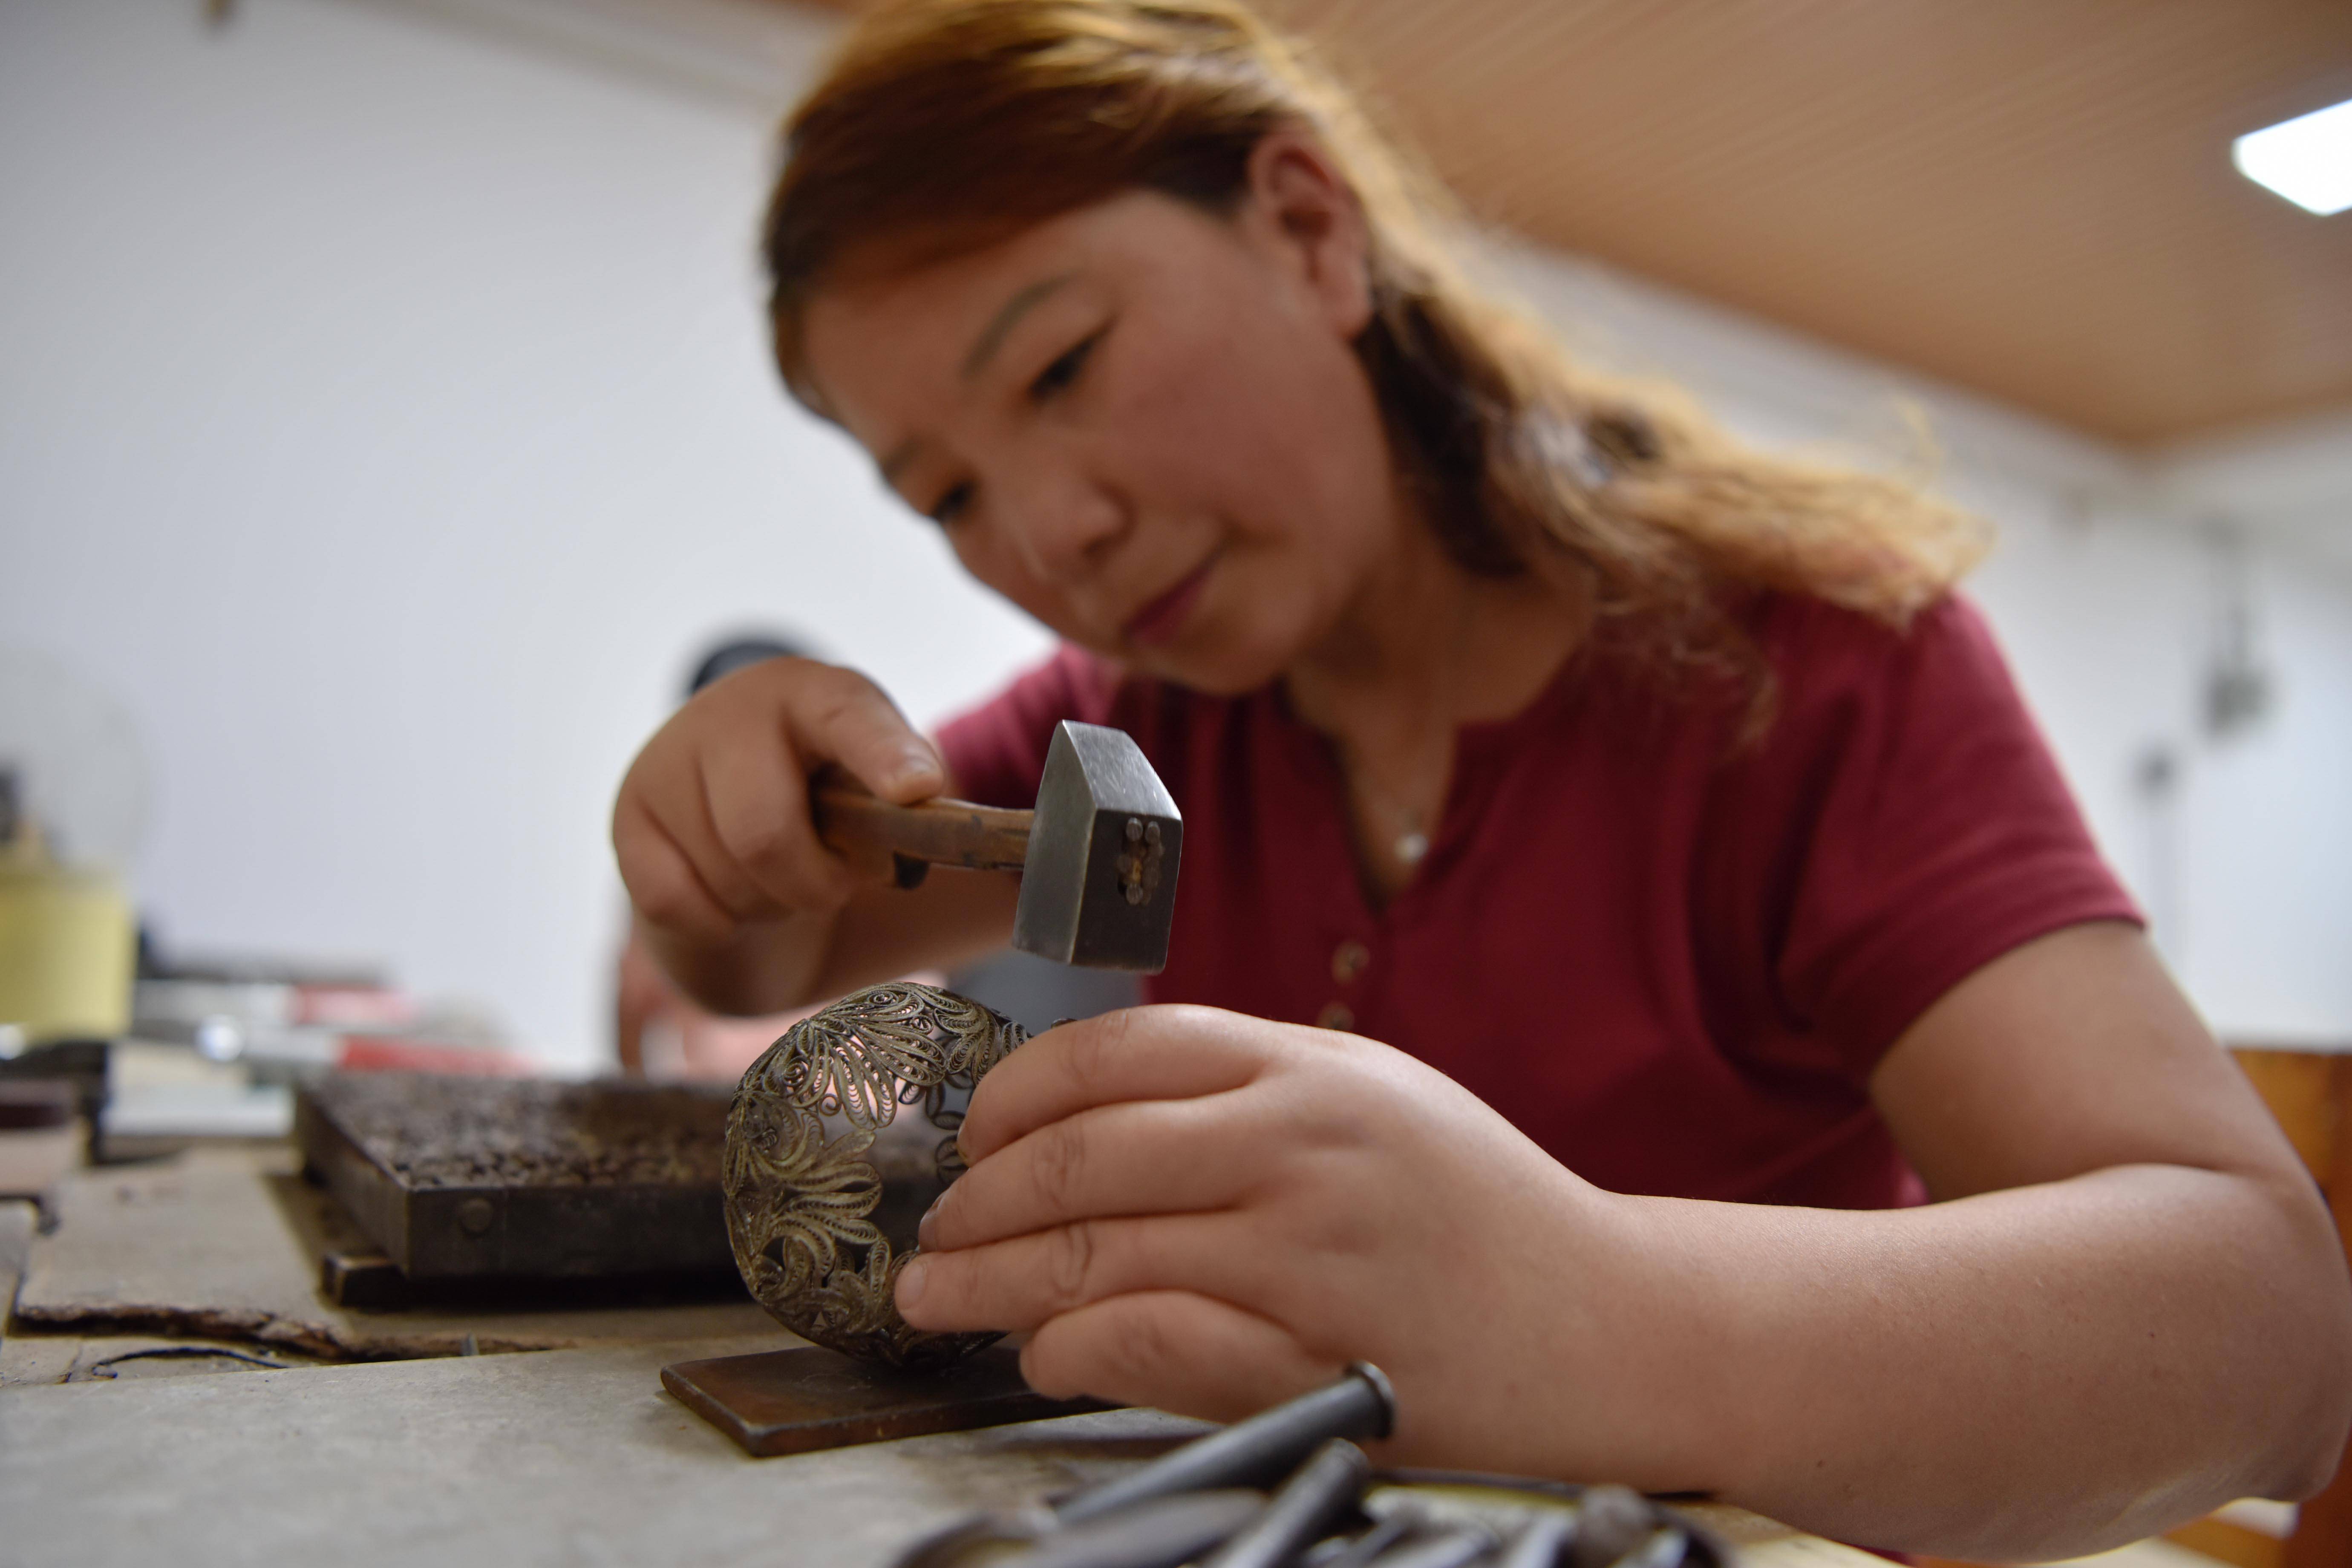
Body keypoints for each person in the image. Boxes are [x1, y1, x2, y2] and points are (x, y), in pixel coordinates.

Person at [610, 1, 2352, 1555]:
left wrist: (1607, 1304)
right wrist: (712, 849)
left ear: (1307, 229)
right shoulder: (1146, 716)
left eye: (1064, 367)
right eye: (948, 494)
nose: (1049, 532)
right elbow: (764, 961)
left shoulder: (1811, 672)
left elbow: (2275, 1334)